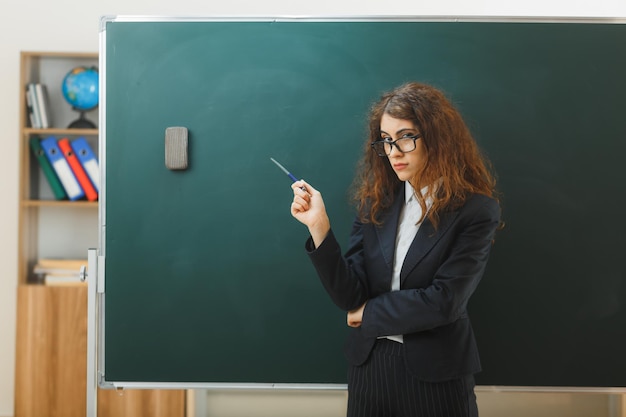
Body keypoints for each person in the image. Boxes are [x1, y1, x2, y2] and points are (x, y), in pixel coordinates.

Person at [289, 82, 502, 417]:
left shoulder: (476, 211)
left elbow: (444, 301)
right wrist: (320, 227)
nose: (394, 152)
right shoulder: (377, 205)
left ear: (437, 138)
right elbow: (350, 296)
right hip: (370, 369)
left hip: (437, 376)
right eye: (386, 141)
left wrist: (368, 314)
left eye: (405, 137)